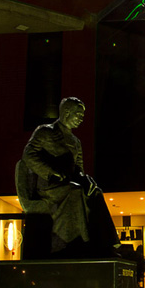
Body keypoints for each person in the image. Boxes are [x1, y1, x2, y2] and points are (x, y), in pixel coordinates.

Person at [21, 97, 119, 257]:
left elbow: (78, 168)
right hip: (49, 185)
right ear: (66, 113)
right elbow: (28, 155)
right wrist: (51, 171)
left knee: (95, 192)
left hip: (69, 182)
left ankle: (106, 244)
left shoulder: (76, 141)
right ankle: (76, 243)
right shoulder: (45, 131)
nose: (81, 118)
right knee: (75, 191)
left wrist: (86, 179)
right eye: (78, 114)